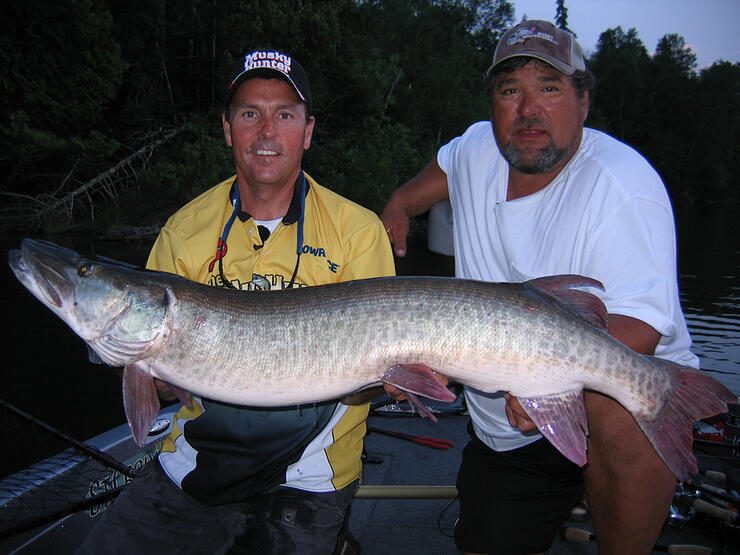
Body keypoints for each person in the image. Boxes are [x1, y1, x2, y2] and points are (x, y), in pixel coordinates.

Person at [381, 20, 698, 555]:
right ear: (493, 106)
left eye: (549, 88)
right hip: (509, 426)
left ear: (584, 101)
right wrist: (399, 205)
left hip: (609, 401)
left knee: (623, 404)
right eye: (511, 91)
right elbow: (441, 168)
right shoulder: (478, 147)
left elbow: (641, 326)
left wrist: (552, 383)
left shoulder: (622, 185)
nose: (529, 109)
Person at [79, 49, 395, 554]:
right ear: (228, 129)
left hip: (309, 475)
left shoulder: (357, 231)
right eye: (250, 114)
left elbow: (375, 379)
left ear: (307, 131)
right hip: (194, 464)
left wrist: (404, 380)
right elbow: (155, 389)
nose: (267, 132)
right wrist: (150, 376)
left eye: (284, 115)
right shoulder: (185, 230)